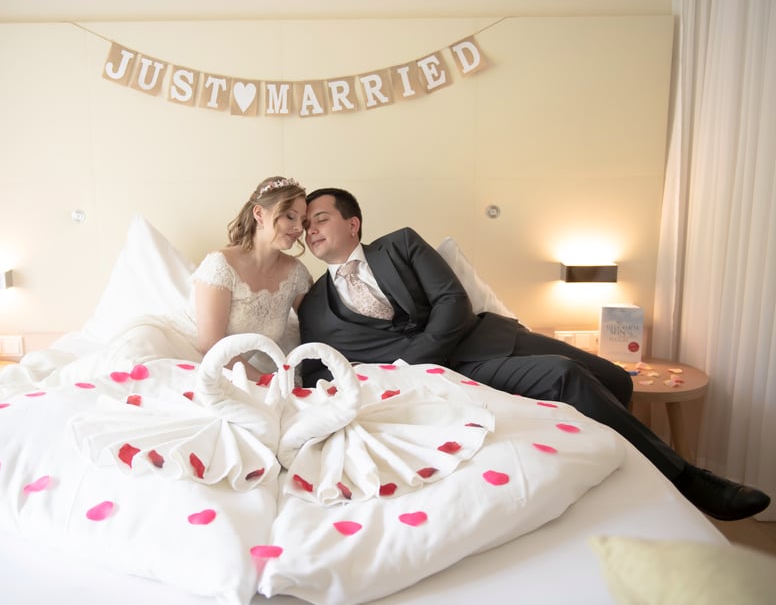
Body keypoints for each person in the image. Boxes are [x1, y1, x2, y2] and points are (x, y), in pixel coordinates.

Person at [297, 187, 770, 522]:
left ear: (352, 223)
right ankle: (688, 479)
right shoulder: (315, 304)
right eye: (305, 225)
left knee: (617, 379)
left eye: (320, 218)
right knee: (565, 374)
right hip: (454, 375)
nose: (311, 229)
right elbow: (317, 367)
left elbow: (453, 302)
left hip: (484, 338)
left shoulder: (400, 244)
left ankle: (626, 460)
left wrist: (416, 355)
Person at [189, 175, 312, 380]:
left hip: (241, 370)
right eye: (290, 217)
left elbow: (317, 323)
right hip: (198, 360)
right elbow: (210, 345)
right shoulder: (221, 265)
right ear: (259, 214)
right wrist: (265, 381)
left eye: (303, 221)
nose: (299, 228)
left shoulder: (296, 273)